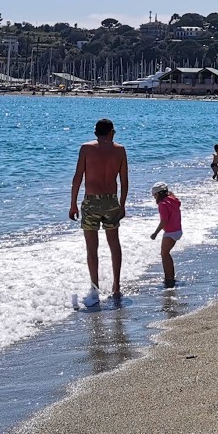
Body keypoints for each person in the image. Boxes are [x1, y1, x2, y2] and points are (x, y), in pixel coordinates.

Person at [69, 117, 129, 301]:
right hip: (111, 201)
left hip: (91, 202)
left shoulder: (86, 148)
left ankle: (94, 288)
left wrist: (73, 204)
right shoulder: (120, 150)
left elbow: (78, 177)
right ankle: (116, 286)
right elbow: (124, 181)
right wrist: (122, 204)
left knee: (91, 248)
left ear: (96, 132)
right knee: (114, 243)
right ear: (112, 132)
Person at [148, 182, 181, 287]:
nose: (154, 198)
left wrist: (155, 233)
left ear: (158, 194)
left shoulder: (162, 204)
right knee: (166, 253)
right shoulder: (173, 200)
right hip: (178, 230)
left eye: (154, 196)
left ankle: (169, 278)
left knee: (164, 254)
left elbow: (164, 221)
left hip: (170, 232)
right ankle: (170, 276)